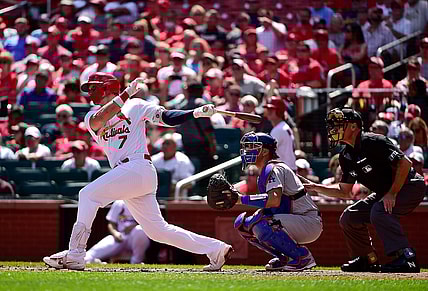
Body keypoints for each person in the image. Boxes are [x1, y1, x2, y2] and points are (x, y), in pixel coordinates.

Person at [43, 72, 233, 271]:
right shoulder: (91, 114)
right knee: (158, 231)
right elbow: (101, 119)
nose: (90, 92)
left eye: (93, 87)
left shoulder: (136, 105)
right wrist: (125, 95)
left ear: (106, 87)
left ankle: (75, 253)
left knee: (87, 195)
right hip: (129, 173)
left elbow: (166, 117)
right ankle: (216, 249)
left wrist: (194, 112)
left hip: (138, 167)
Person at [304, 107, 426, 273]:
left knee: (379, 210)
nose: (333, 129)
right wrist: (315, 187)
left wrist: (392, 193)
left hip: (410, 185)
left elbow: (405, 163)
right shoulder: (345, 155)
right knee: (349, 217)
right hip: (386, 192)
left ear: (354, 127)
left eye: (339, 124)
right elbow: (344, 191)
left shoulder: (374, 141)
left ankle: (407, 257)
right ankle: (368, 259)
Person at [233, 131, 322, 271]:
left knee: (264, 222)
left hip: (308, 220)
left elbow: (274, 200)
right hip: (293, 218)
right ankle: (284, 257)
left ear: (264, 151)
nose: (248, 150)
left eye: (252, 147)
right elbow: (274, 206)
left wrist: (241, 199)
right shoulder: (264, 171)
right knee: (244, 224)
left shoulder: (274, 168)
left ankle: (302, 257)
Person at [85, 200, 150, 264]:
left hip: (134, 237)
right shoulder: (119, 202)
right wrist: (115, 233)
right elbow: (111, 223)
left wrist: (134, 225)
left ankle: (136, 262)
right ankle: (88, 260)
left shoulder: (143, 201)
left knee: (139, 230)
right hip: (120, 236)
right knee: (90, 255)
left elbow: (150, 223)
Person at [263, 96, 296, 171]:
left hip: (284, 171)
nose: (268, 111)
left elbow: (267, 153)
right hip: (288, 169)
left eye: (271, 109)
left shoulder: (278, 129)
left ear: (279, 111)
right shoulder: (283, 126)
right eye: (268, 109)